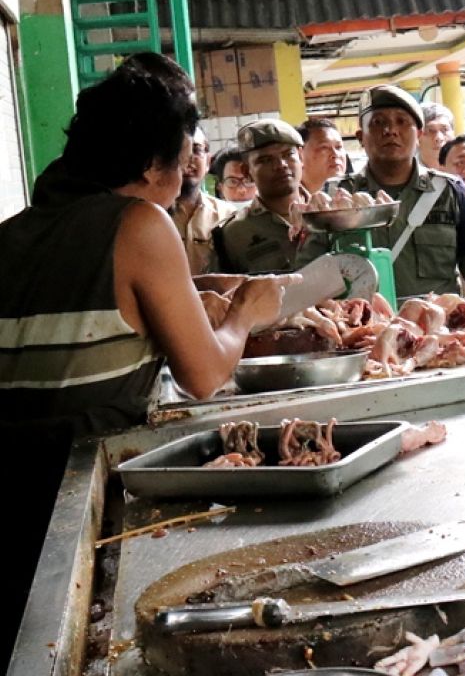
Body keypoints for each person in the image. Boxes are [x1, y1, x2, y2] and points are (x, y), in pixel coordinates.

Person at [0, 53, 293, 661]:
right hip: (74, 498)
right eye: (186, 147)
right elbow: (206, 374)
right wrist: (248, 313)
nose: (191, 163)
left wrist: (205, 292)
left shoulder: (16, 233)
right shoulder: (140, 222)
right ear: (153, 158)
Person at [340, 85, 465, 311]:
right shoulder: (338, 199)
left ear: (419, 134)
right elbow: (311, 276)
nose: (390, 130)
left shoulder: (450, 193)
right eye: (378, 122)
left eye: (402, 121)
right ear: (360, 137)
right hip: (361, 336)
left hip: (438, 336)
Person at [214, 120, 329, 274]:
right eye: (266, 160)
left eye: (288, 155)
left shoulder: (330, 212)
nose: (281, 164)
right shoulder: (233, 234)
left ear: (301, 157)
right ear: (247, 171)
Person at [170, 127, 237, 275]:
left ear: (208, 161)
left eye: (196, 149)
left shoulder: (229, 216)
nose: (188, 158)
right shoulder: (150, 215)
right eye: (180, 150)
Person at [298, 117, 347, 194]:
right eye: (324, 148)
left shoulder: (355, 193)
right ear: (299, 155)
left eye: (338, 147)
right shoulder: (285, 200)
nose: (335, 154)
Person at [419, 101, 455, 170]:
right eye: (430, 130)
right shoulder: (407, 173)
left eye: (445, 129)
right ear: (417, 136)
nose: (439, 138)